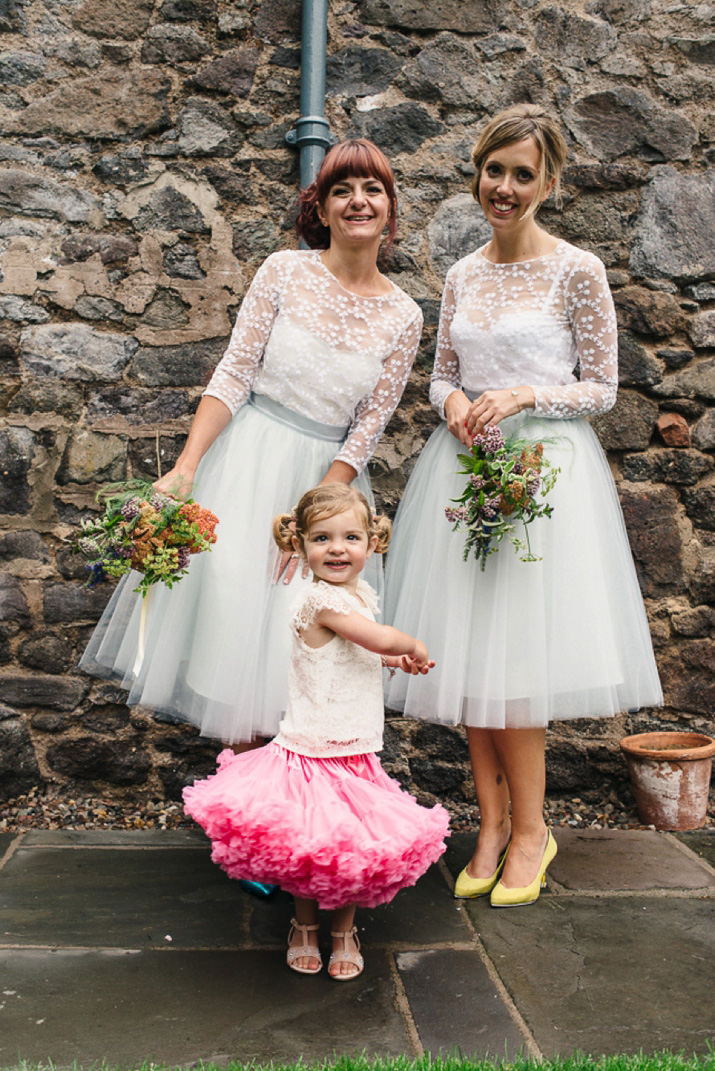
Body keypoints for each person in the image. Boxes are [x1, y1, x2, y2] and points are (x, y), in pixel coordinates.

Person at [383, 104, 662, 908]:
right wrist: (454, 409)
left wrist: (520, 395)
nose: (502, 187)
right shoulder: (463, 272)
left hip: (545, 476)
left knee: (515, 667)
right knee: (469, 656)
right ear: (477, 172)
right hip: (467, 469)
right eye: (492, 170)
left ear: (548, 182)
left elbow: (602, 389)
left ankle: (533, 832)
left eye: (520, 173)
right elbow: (439, 376)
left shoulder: (578, 269)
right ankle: (492, 824)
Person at [80, 139, 423, 747]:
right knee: (235, 621)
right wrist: (187, 468)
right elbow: (234, 374)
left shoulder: (404, 315)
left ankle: (293, 791)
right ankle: (243, 793)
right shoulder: (283, 271)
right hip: (246, 464)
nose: (357, 201)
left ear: (390, 208)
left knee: (299, 632)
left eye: (372, 189)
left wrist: (308, 514)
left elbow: (368, 426)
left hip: (325, 484)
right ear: (320, 209)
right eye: (341, 190)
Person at [183, 484, 450, 978]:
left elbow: (362, 646)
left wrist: (391, 660)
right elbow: (375, 635)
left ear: (371, 543)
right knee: (313, 846)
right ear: (300, 545)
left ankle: (343, 930)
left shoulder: (356, 597)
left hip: (354, 747)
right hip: (313, 749)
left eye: (351, 537)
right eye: (322, 538)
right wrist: (406, 642)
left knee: (350, 848)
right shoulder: (318, 601)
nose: (337, 548)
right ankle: (304, 926)